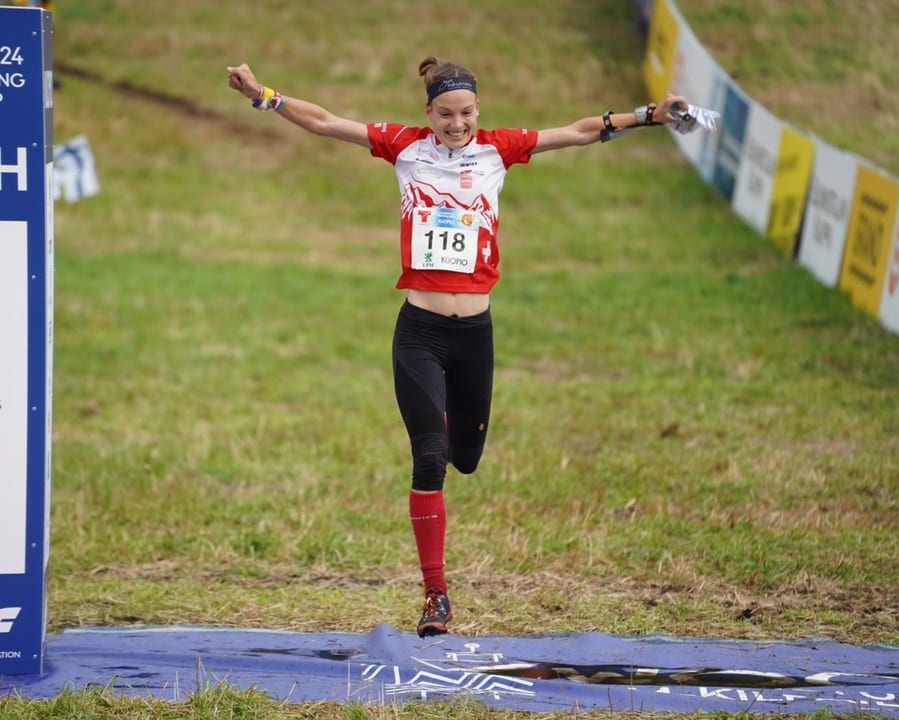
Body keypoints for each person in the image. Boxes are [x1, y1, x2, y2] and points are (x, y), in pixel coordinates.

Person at [227, 56, 687, 638]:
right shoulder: (403, 146)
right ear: (428, 114)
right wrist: (261, 93)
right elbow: (324, 122)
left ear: (478, 111)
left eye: (466, 112)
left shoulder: (499, 149)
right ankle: (435, 596)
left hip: (475, 335)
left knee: (464, 460)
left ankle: (445, 429)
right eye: (445, 113)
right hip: (419, 332)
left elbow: (577, 132)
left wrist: (649, 115)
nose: (456, 123)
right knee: (430, 456)